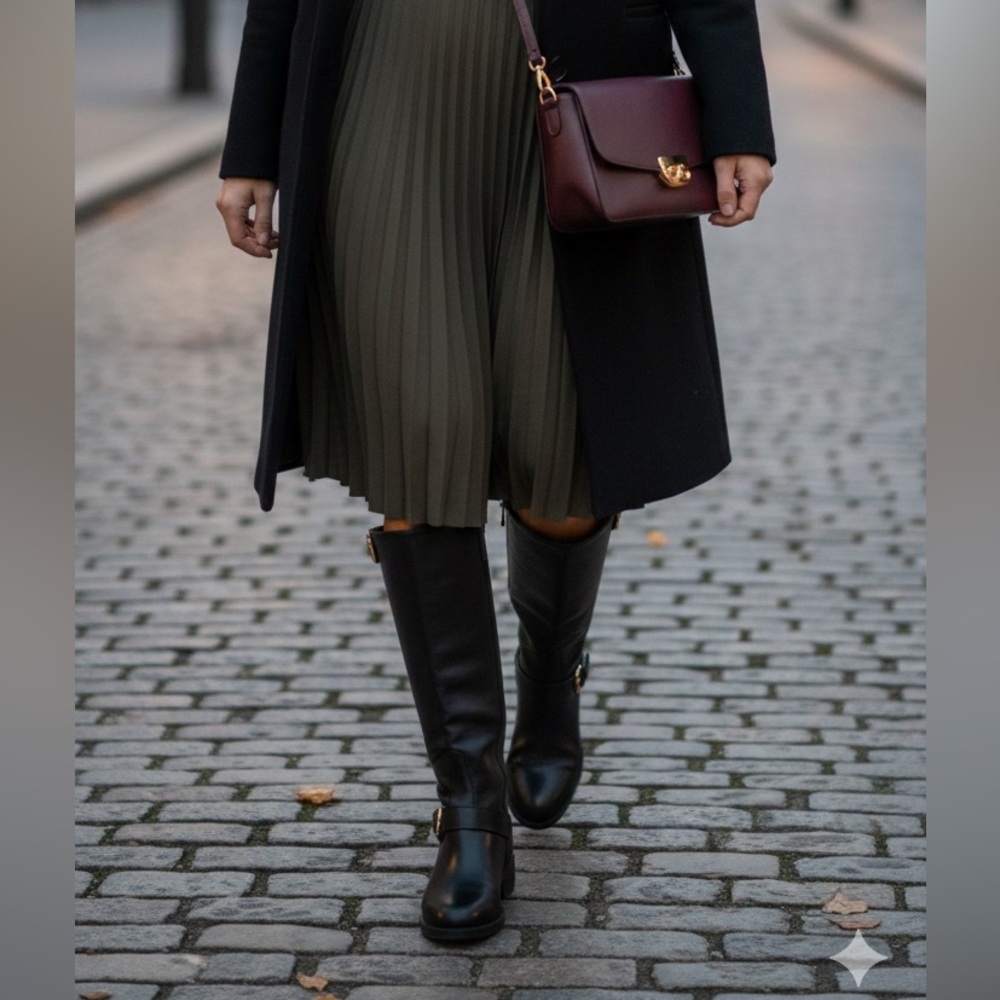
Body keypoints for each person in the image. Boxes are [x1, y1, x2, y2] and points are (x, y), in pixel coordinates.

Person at [217, 0, 775, 943]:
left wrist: (738, 116)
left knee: (560, 465)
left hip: (570, 88)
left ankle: (551, 681)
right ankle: (469, 809)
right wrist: (252, 141)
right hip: (380, 97)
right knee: (418, 439)